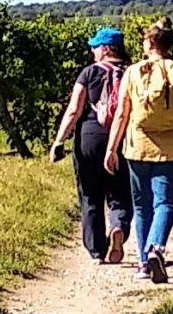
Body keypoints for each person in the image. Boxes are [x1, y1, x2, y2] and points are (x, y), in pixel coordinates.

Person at [103, 20, 173, 284]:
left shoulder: (133, 72)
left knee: (142, 205)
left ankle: (142, 264)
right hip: (172, 148)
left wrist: (112, 148)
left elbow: (122, 113)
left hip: (137, 145)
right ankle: (156, 247)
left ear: (149, 43)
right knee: (165, 202)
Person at [50, 27, 131, 263]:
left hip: (89, 138)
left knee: (90, 195)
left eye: (95, 46)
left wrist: (59, 140)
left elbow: (74, 109)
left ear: (105, 49)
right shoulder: (132, 73)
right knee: (121, 192)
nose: (92, 50)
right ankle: (119, 226)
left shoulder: (88, 73)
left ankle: (96, 251)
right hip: (121, 138)